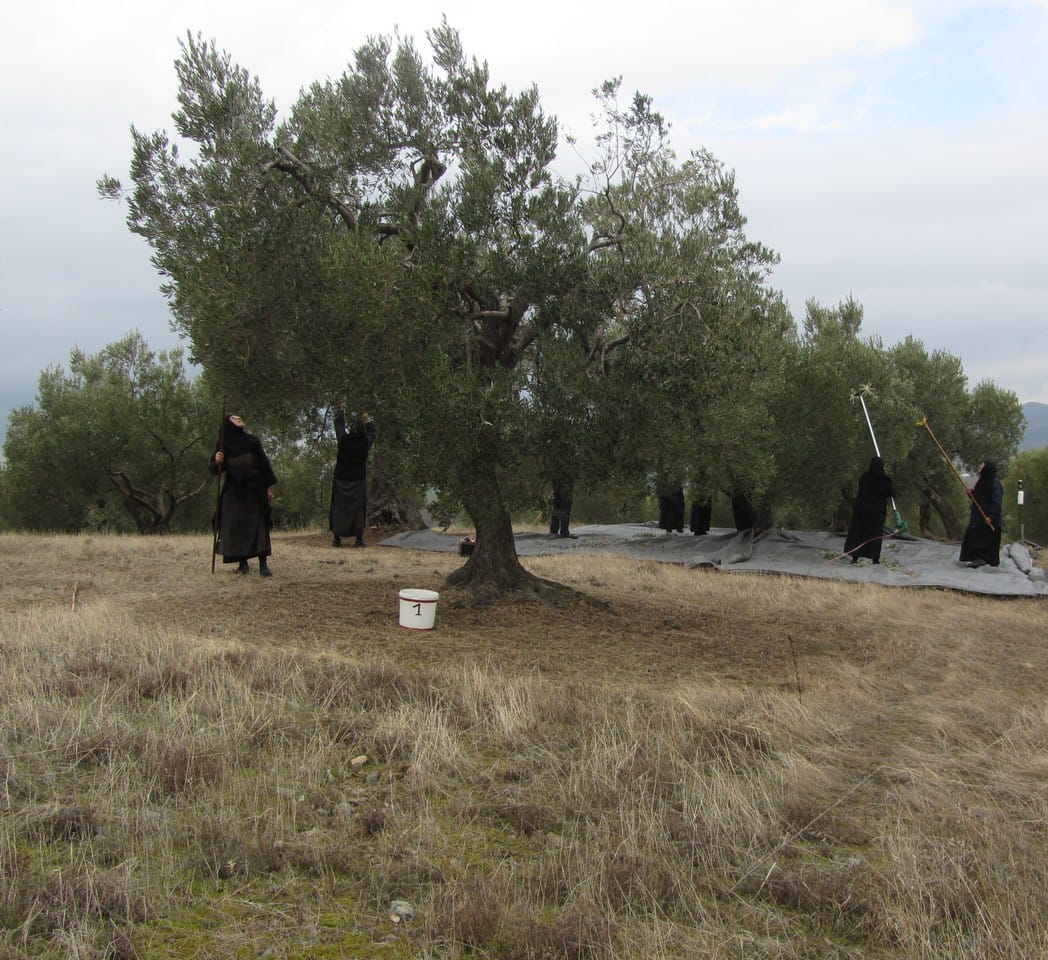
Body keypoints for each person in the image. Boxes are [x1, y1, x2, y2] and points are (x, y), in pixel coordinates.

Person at [210, 414, 278, 576]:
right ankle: (243, 564)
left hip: (255, 488)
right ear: (229, 424)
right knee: (235, 526)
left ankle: (263, 565)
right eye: (234, 418)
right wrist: (217, 461)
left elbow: (263, 464)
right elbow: (213, 470)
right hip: (234, 491)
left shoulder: (253, 441)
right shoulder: (222, 445)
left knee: (259, 525)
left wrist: (268, 488)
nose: (238, 417)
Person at [330, 408, 376, 547]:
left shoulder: (344, 441)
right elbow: (372, 431)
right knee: (357, 510)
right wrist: (365, 416)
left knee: (339, 509)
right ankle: (359, 539)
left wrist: (341, 408)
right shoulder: (364, 444)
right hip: (358, 481)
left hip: (341, 480)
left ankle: (337, 539)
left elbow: (338, 425)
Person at [843, 456, 895, 563]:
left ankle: (855, 556)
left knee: (859, 533)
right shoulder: (882, 479)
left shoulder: (864, 477)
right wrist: (887, 477)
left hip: (861, 510)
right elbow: (891, 492)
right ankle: (875, 559)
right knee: (874, 535)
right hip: (875, 512)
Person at [959, 460, 1004, 567]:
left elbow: (997, 502)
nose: (980, 467)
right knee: (972, 537)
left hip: (988, 520)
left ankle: (983, 559)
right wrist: (971, 494)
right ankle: (976, 558)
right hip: (979, 518)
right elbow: (979, 498)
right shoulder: (982, 481)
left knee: (985, 541)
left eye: (982, 466)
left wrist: (991, 517)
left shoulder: (995, 483)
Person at [549, 474, 577, 539]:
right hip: (565, 475)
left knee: (557, 501)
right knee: (565, 503)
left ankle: (554, 531)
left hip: (557, 475)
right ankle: (563, 532)